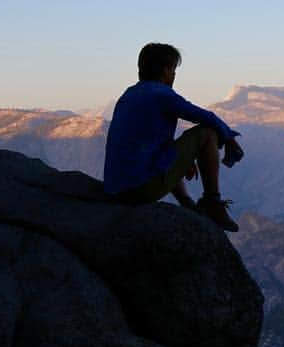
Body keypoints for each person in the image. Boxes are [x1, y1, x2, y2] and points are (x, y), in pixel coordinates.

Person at [103, 42, 244, 231]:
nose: (174, 75)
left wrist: (183, 159)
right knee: (207, 133)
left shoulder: (129, 95)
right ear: (166, 70)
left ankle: (187, 204)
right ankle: (212, 202)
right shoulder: (162, 95)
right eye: (173, 69)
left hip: (116, 190)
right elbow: (205, 117)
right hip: (140, 189)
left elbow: (153, 145)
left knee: (166, 151)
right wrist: (228, 137)